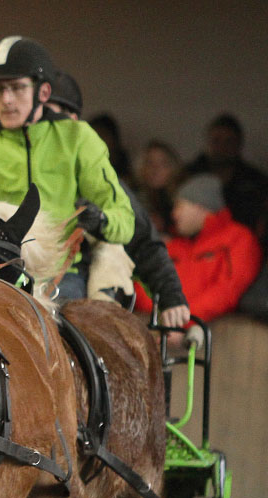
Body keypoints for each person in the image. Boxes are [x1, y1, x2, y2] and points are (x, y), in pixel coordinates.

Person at [0, 35, 135, 301]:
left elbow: (124, 219)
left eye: (17, 88)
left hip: (60, 275)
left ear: (43, 92)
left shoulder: (78, 137)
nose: (7, 99)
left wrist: (101, 220)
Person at [47, 69, 189, 327]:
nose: (46, 127)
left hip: (74, 284)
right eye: (39, 118)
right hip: (19, 275)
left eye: (54, 116)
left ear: (74, 120)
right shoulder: (10, 167)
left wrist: (171, 296)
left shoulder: (94, 174)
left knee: (74, 321)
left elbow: (143, 239)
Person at [134, 174, 261, 323]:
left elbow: (228, 289)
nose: (174, 214)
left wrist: (182, 320)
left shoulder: (238, 238)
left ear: (199, 206)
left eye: (179, 205)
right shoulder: (173, 246)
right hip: (163, 330)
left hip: (217, 332)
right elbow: (144, 283)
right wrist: (166, 318)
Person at [183, 113, 268, 249]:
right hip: (197, 248)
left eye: (228, 141)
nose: (222, 148)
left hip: (244, 246)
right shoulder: (189, 175)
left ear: (238, 144)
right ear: (208, 142)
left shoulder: (255, 179)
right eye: (216, 141)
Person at [135, 140, 181, 234]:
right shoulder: (134, 199)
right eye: (150, 163)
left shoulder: (181, 201)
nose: (155, 169)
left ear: (173, 168)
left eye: (163, 163)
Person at [88, 113, 132, 184]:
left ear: (114, 140)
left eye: (102, 136)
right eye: (92, 138)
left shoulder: (127, 180)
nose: (96, 142)